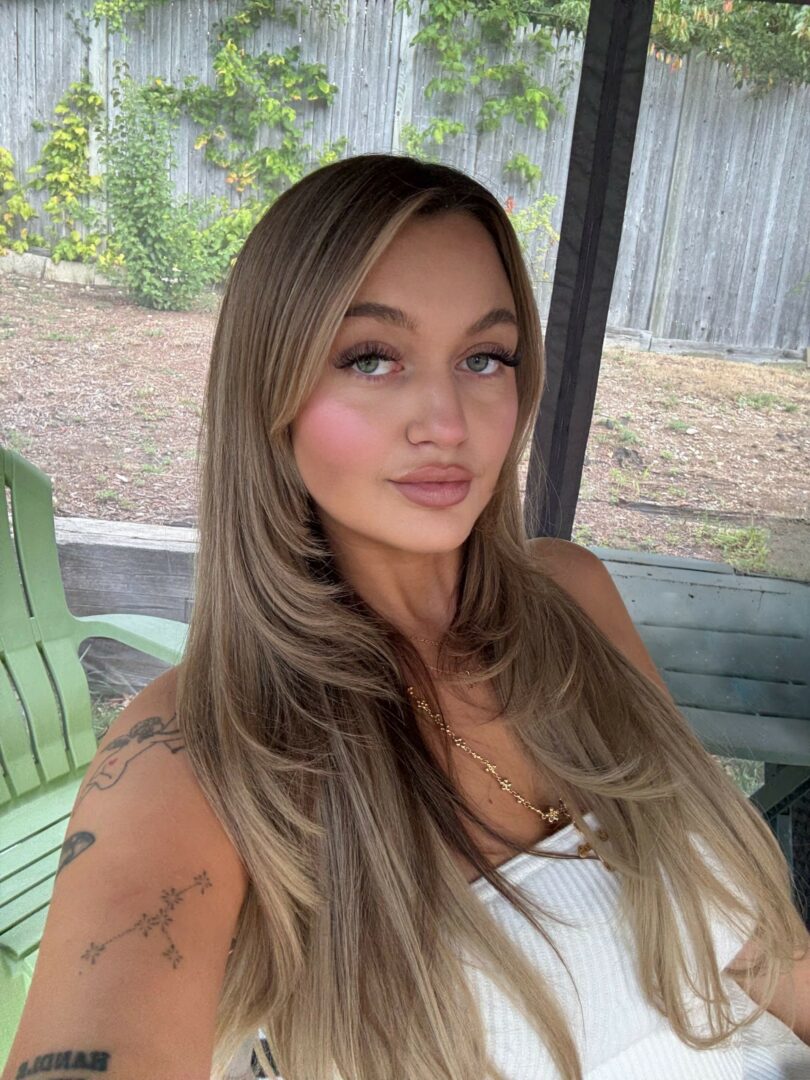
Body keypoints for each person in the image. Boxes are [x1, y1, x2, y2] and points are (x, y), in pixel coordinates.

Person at [4, 153, 808, 1080]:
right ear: (271, 395)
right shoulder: (201, 747)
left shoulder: (574, 598)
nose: (447, 421)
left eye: (484, 358)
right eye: (372, 358)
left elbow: (757, 948)